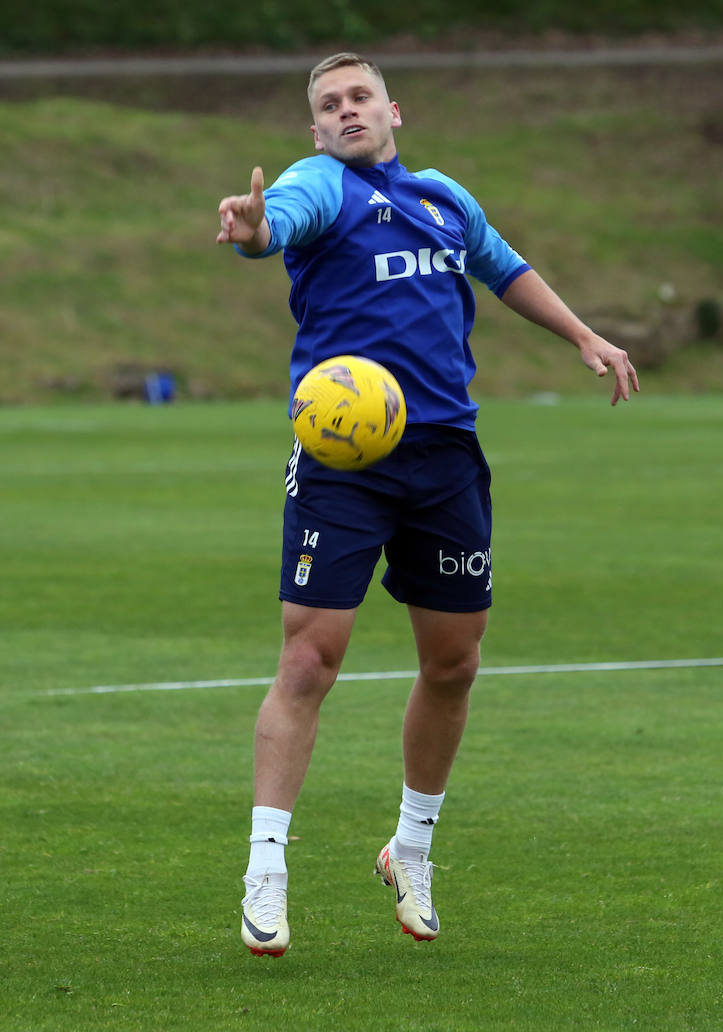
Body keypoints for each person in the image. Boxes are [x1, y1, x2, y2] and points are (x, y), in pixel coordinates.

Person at [216, 54, 637, 956]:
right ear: (317, 130)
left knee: (455, 664)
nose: (346, 111)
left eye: (359, 97)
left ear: (392, 110)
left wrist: (583, 335)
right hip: (343, 462)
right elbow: (275, 225)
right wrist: (253, 231)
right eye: (329, 106)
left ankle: (410, 849)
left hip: (445, 455)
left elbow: (503, 267)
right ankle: (266, 867)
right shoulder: (316, 186)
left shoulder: (443, 196)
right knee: (310, 658)